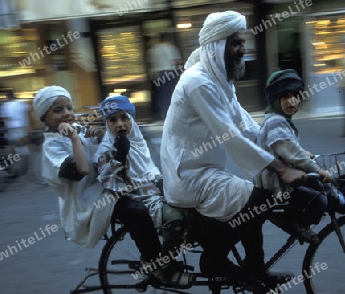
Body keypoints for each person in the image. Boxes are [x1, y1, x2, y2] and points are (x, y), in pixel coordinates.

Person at [160, 10, 306, 288]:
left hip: (204, 169)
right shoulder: (198, 82)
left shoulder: (219, 79)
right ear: (217, 45)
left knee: (255, 198)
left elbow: (245, 123)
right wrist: (282, 168)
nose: (243, 49)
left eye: (243, 42)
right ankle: (215, 258)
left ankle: (255, 269)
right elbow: (230, 136)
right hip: (188, 177)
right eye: (237, 43)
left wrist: (287, 151)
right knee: (259, 198)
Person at [95, 95, 194, 287]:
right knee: (175, 219)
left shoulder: (138, 139)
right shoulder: (107, 149)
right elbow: (107, 179)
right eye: (112, 120)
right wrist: (118, 157)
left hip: (154, 192)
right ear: (107, 124)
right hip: (139, 200)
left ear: (131, 119)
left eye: (124, 117)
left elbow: (150, 170)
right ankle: (166, 270)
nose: (120, 124)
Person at [254, 69, 333, 243]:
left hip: (277, 178)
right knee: (319, 200)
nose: (292, 101)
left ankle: (292, 218)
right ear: (275, 100)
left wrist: (303, 152)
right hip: (274, 183)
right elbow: (294, 155)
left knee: (313, 187)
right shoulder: (276, 121)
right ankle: (298, 225)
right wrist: (320, 171)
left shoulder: (278, 119)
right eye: (285, 97)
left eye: (295, 96)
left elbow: (286, 148)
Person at [33, 85, 114, 248]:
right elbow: (81, 169)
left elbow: (104, 148)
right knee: (137, 213)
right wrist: (74, 138)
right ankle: (153, 262)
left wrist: (100, 135)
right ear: (44, 118)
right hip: (87, 203)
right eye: (58, 110)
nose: (67, 114)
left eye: (69, 108)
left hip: (102, 190)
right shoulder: (51, 145)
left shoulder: (76, 130)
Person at [149, 32, 182, 121]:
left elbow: (152, 63)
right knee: (169, 94)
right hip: (170, 73)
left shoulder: (153, 49)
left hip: (158, 74)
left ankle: (161, 116)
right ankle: (171, 115)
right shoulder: (171, 47)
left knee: (160, 95)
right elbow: (177, 61)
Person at [0, 88, 30, 176]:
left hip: (12, 129)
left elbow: (6, 119)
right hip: (23, 128)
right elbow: (28, 115)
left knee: (13, 149)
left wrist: (6, 131)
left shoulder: (5, 106)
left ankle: (13, 169)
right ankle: (20, 167)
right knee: (22, 149)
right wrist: (28, 129)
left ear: (7, 96)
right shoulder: (22, 103)